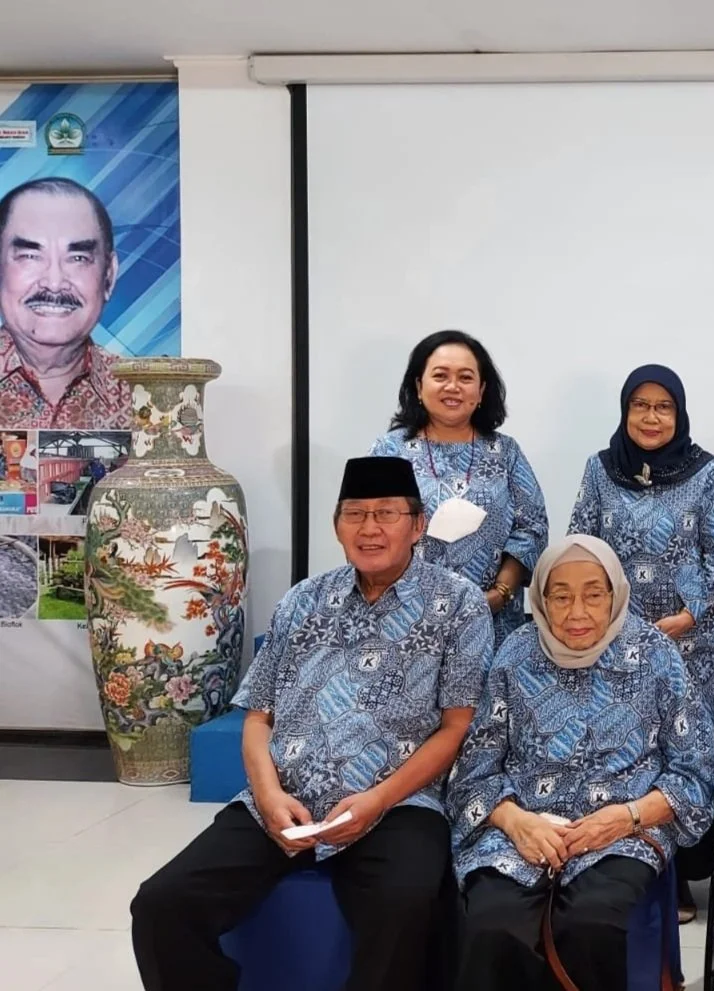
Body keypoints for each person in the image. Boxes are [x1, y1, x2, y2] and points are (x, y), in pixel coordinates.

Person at [130, 456, 491, 991]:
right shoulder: (304, 599)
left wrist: (378, 800)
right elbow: (258, 716)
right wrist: (268, 794)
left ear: (417, 525)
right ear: (336, 526)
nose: (370, 528)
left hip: (397, 802)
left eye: (387, 514)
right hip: (287, 797)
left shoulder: (458, 603)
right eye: (355, 514)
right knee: (162, 904)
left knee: (406, 904)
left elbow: (456, 727)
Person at [448, 534, 714, 991]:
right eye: (561, 596)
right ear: (541, 600)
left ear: (615, 595)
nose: (577, 612)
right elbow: (474, 770)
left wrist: (627, 817)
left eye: (594, 595)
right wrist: (516, 822)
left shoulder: (654, 654)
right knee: (494, 924)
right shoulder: (515, 655)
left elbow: (698, 772)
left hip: (621, 831)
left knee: (591, 922)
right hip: (525, 830)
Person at [568, 363, 714, 920]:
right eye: (640, 405)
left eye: (663, 407)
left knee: (687, 752)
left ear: (679, 414)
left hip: (691, 643)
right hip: (613, 642)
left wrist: (690, 615)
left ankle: (684, 874)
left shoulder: (703, 470)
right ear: (625, 411)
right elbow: (580, 544)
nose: (651, 417)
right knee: (626, 750)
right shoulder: (600, 469)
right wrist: (604, 617)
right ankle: (631, 862)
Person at [372, 330, 548, 654]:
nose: (453, 386)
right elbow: (368, 528)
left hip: (491, 621)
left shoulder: (505, 452)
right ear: (419, 386)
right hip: (406, 621)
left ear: (481, 391)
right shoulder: (389, 451)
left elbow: (532, 528)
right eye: (440, 376)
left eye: (465, 378)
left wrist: (499, 594)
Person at [0, 177, 131, 429]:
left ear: (109, 276)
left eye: (78, 258)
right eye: (30, 256)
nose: (54, 282)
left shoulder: (145, 398)